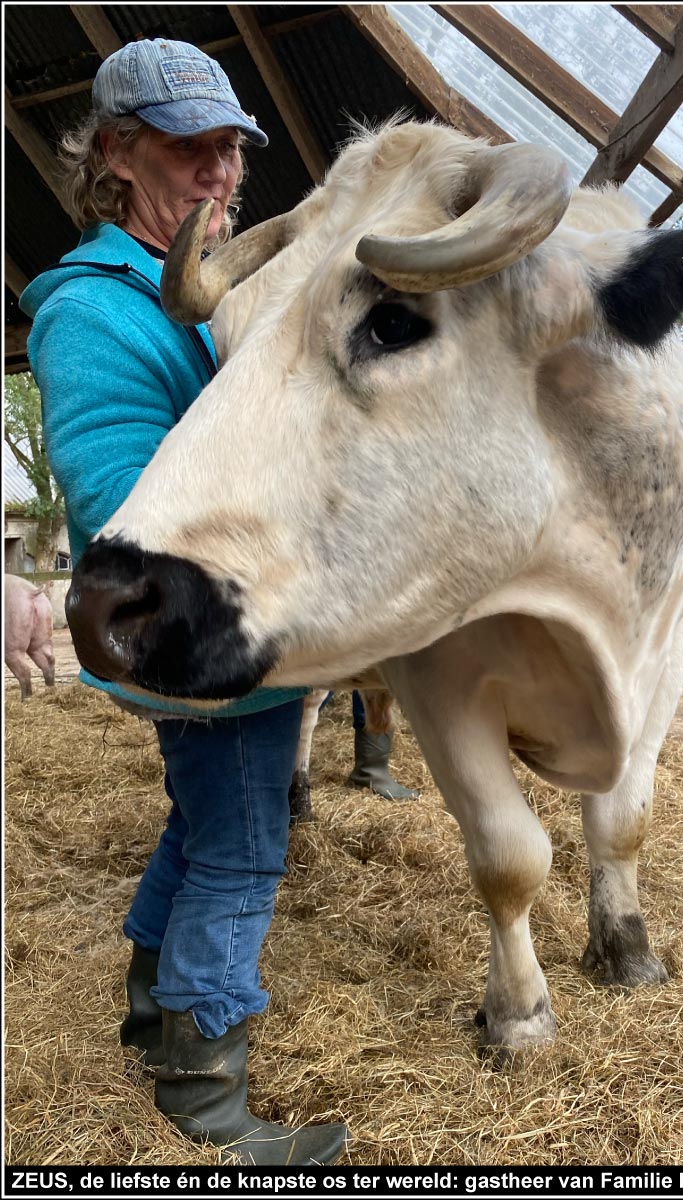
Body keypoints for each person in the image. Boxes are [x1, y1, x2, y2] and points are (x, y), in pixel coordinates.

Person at [20, 38, 348, 1165]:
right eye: (187, 148)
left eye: (230, 149)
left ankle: (147, 997)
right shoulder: (95, 310)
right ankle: (204, 1083)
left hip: (234, 635)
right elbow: (125, 509)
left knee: (202, 818)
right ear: (114, 154)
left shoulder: (211, 295)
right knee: (244, 849)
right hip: (197, 638)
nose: (220, 172)